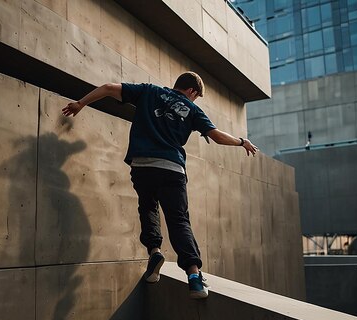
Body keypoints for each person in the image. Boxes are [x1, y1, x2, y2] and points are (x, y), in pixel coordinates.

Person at [62, 72, 259, 299]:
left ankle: (154, 251)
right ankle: (194, 277)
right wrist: (241, 142)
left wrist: (80, 103)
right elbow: (216, 136)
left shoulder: (149, 91)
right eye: (196, 97)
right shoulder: (192, 109)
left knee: (148, 207)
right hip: (171, 168)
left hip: (142, 165)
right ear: (192, 91)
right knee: (178, 220)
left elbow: (108, 87)